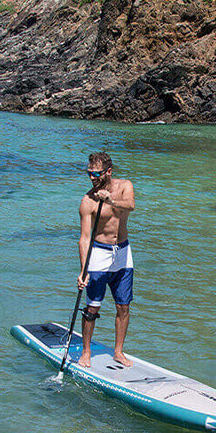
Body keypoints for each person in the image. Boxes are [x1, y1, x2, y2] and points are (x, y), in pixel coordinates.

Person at [77, 152, 135, 368]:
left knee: (123, 306)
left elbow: (130, 205)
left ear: (109, 171)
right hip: (99, 253)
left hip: (123, 253)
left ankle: (118, 352)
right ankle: (86, 351)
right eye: (89, 173)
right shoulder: (87, 201)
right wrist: (83, 270)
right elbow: (84, 238)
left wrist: (110, 200)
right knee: (93, 307)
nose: (92, 177)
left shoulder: (124, 186)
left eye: (97, 173)